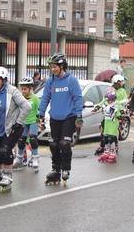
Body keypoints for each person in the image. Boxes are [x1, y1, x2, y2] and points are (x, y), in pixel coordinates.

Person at [0, 67, 31, 193]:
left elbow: (27, 106)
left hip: (12, 127)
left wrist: (19, 122)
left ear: (4, 80)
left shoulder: (12, 91)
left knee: (5, 150)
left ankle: (8, 175)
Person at [39, 53, 83, 185]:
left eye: (55, 67)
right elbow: (45, 98)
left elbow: (78, 98)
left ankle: (66, 169)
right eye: (51, 67)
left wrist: (79, 115)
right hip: (54, 117)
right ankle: (56, 169)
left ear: (62, 66)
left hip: (69, 117)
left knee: (64, 144)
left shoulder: (71, 80)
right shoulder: (50, 81)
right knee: (53, 145)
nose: (53, 69)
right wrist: (40, 114)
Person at [93, 74, 127, 155]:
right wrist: (98, 107)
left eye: (122, 82)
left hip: (116, 113)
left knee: (114, 131)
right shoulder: (109, 89)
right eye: (120, 82)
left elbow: (124, 102)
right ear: (115, 82)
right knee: (103, 129)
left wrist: (122, 111)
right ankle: (103, 145)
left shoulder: (122, 91)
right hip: (108, 113)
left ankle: (114, 146)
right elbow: (105, 99)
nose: (122, 83)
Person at [13, 77, 41, 173]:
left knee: (33, 139)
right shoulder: (20, 98)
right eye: (22, 89)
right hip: (23, 122)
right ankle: (19, 158)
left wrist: (40, 121)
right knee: (21, 141)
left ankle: (35, 158)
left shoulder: (35, 98)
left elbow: (39, 110)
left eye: (25, 89)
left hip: (33, 121)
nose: (23, 91)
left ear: (30, 89)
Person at [94, 87, 122, 163]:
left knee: (111, 138)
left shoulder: (116, 105)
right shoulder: (106, 104)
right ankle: (106, 152)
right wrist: (96, 108)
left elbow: (120, 114)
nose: (109, 101)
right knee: (105, 138)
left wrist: (120, 116)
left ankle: (113, 152)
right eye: (108, 100)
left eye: (110, 100)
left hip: (113, 125)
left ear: (114, 99)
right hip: (107, 125)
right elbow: (100, 105)